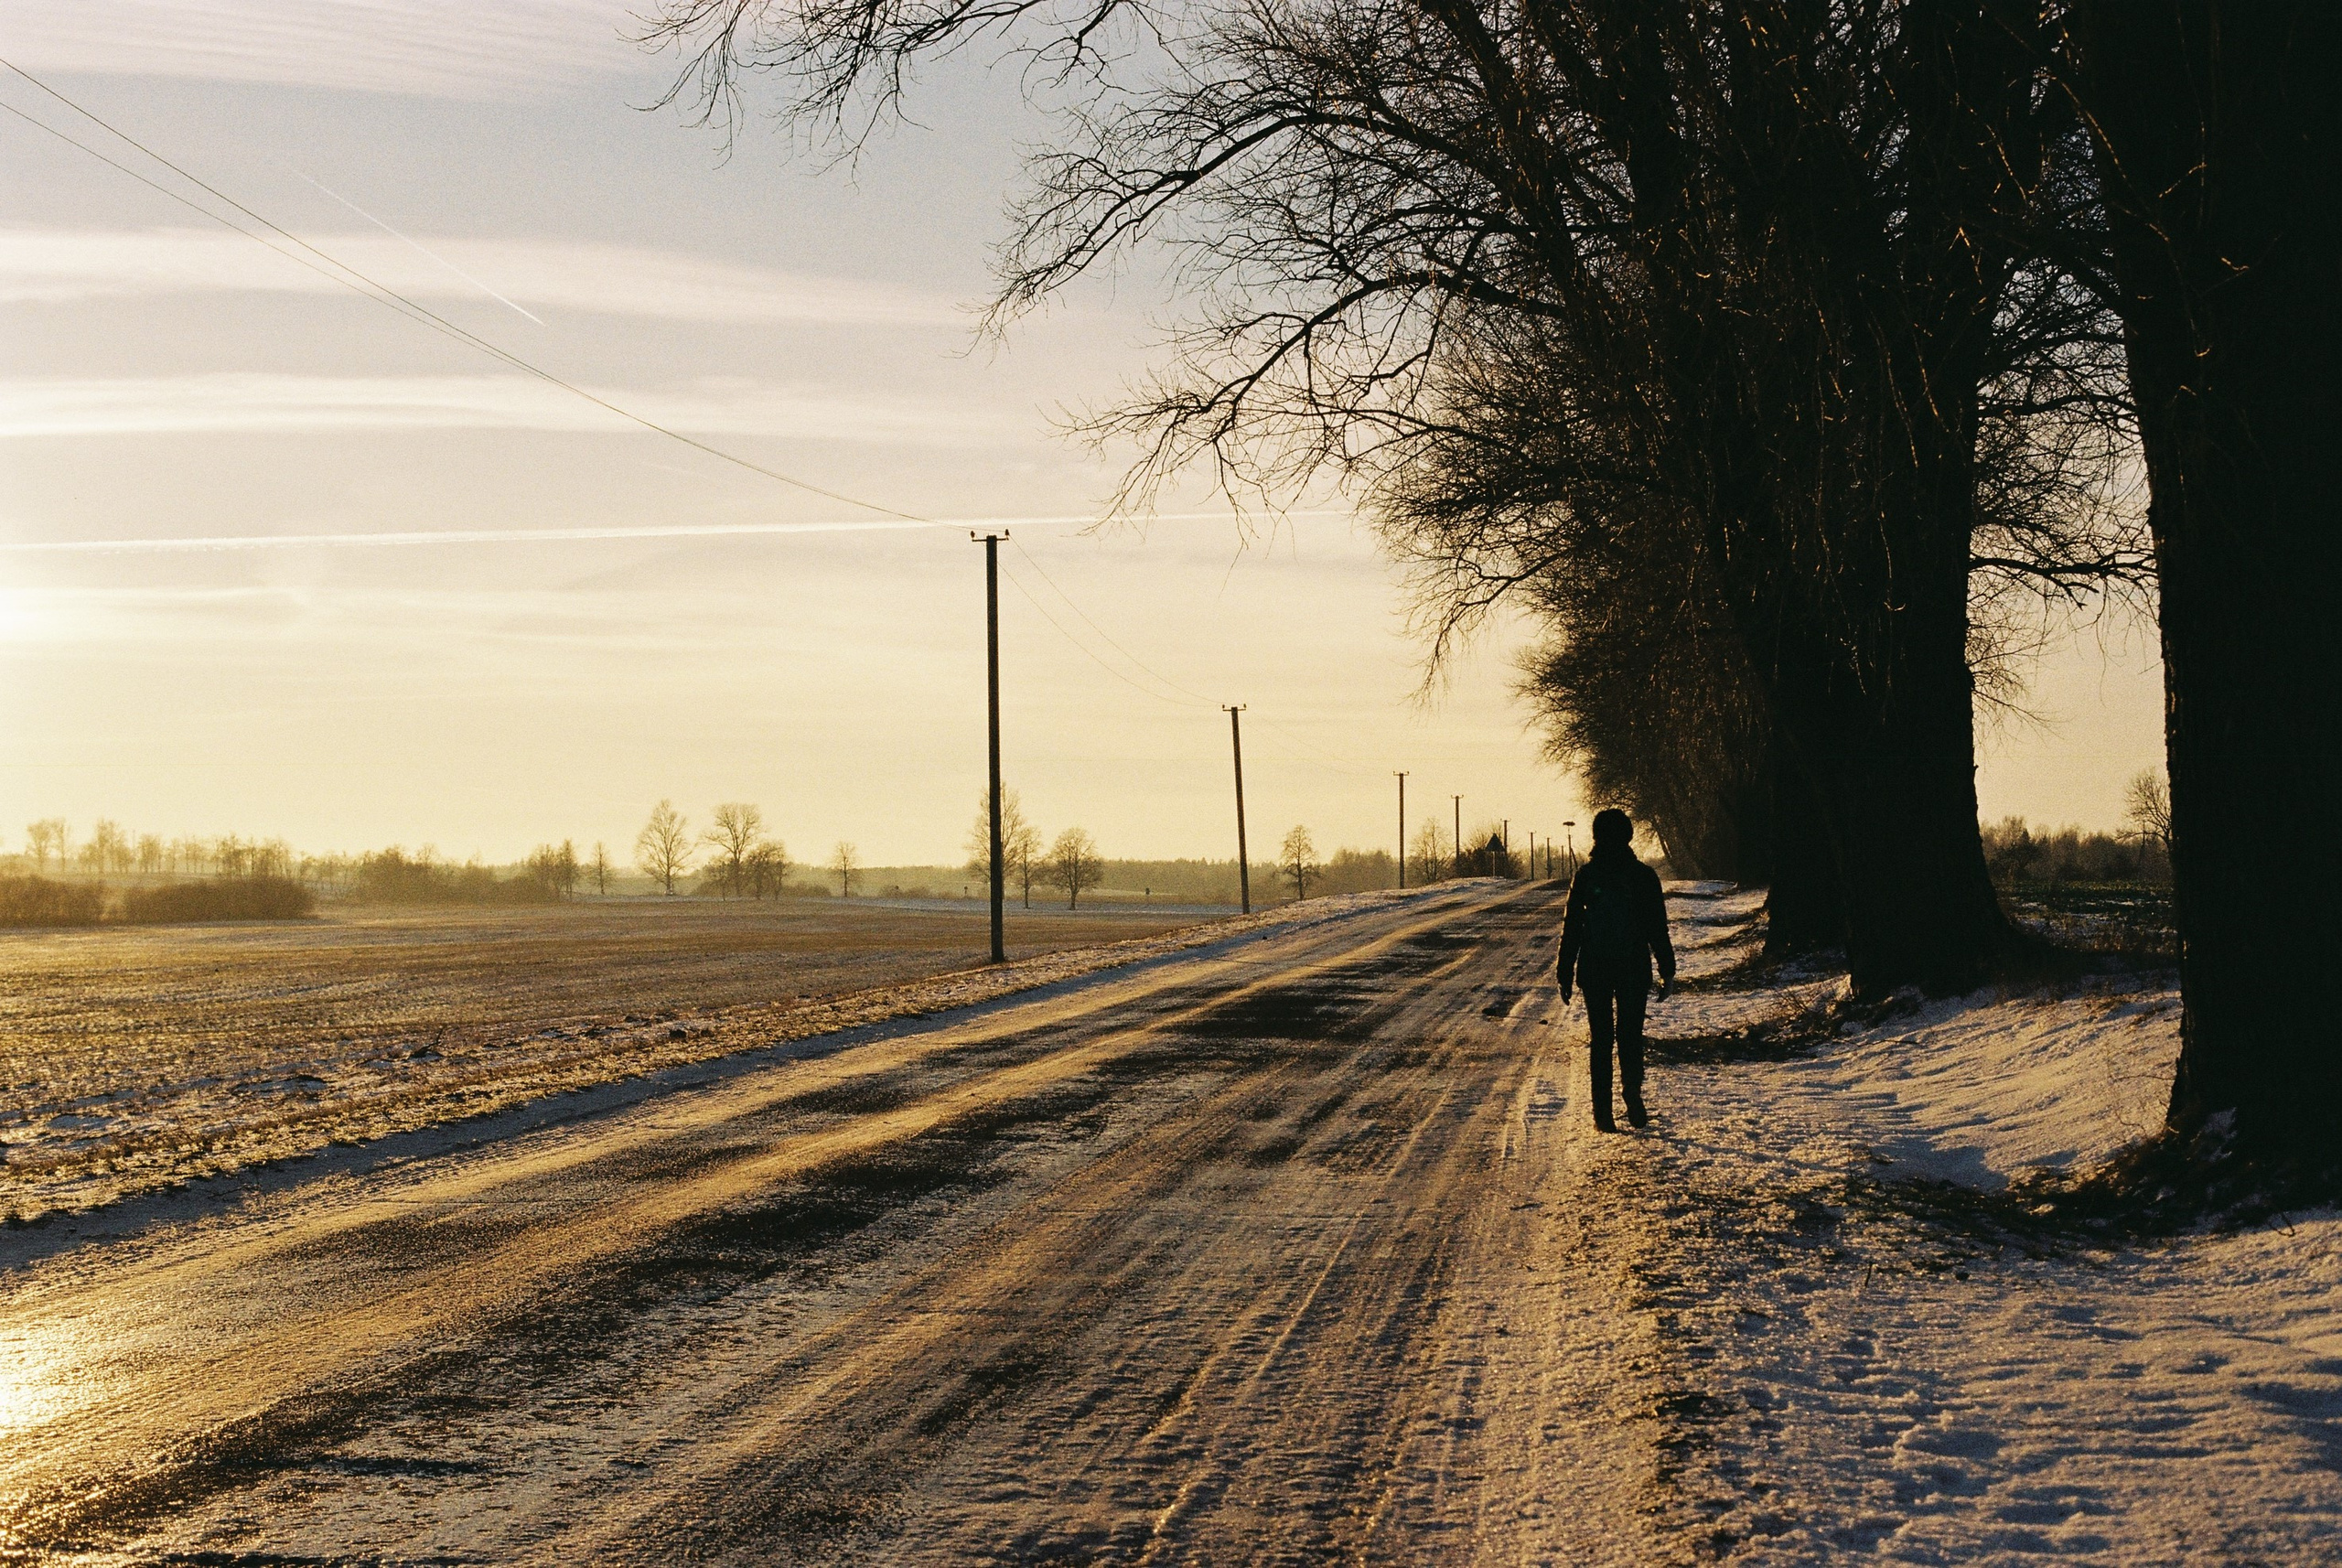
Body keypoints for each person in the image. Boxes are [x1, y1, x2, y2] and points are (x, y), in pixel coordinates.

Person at [1555, 809, 1675, 1132]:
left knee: (1601, 1039)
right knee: (1630, 1036)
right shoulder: (1644, 877)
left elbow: (1572, 929)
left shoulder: (1586, 876)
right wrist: (1668, 968)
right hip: (1633, 967)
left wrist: (1564, 971)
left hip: (1594, 968)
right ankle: (1633, 1100)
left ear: (1596, 837)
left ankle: (1603, 1112)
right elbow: (1657, 929)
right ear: (1629, 837)